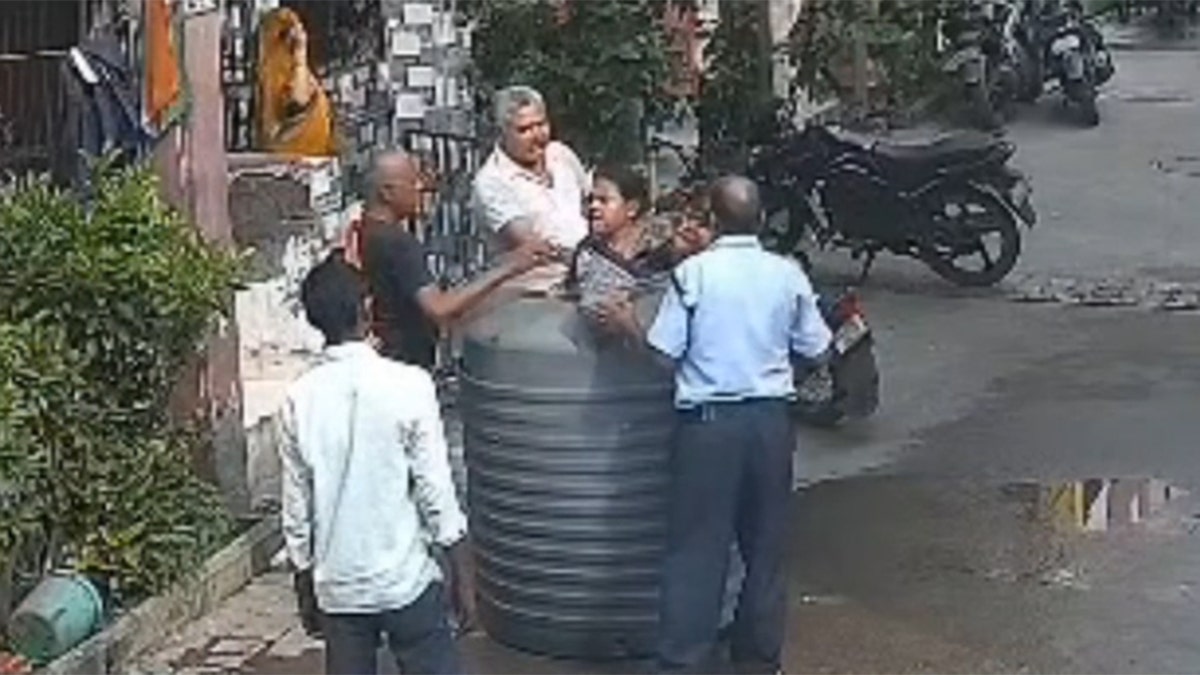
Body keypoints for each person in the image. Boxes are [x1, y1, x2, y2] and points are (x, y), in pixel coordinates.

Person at [597, 176, 832, 674]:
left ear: (714, 221)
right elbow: (818, 347)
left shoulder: (695, 276)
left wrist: (626, 327)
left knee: (696, 551)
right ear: (760, 219)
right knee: (765, 550)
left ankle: (683, 662)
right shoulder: (786, 273)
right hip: (770, 424)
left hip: (709, 427)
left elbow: (664, 355)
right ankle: (757, 660)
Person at [280, 253, 472, 675]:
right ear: (367, 309)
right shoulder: (409, 385)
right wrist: (462, 573)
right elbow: (435, 489)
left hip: (340, 590)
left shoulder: (299, 398)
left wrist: (304, 584)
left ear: (313, 319)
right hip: (406, 581)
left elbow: (297, 510)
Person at [357, 150, 553, 369]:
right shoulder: (398, 244)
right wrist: (512, 267)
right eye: (412, 182)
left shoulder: (363, 229)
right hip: (402, 363)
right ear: (387, 192)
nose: (421, 188)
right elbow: (439, 308)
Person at [471, 85, 589, 285]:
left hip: (587, 278)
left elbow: (589, 205)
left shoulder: (561, 154)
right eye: (524, 130)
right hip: (534, 294)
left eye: (541, 124)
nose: (538, 136)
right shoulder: (492, 182)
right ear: (502, 133)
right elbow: (534, 248)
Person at [568, 164, 674, 313]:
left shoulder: (658, 254)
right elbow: (571, 297)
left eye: (604, 200)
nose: (594, 206)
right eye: (591, 200)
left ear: (631, 208)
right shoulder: (588, 250)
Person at [256, 8, 338, 156]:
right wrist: (300, 54)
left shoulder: (284, 70)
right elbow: (298, 103)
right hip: (299, 160)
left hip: (304, 159)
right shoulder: (280, 70)